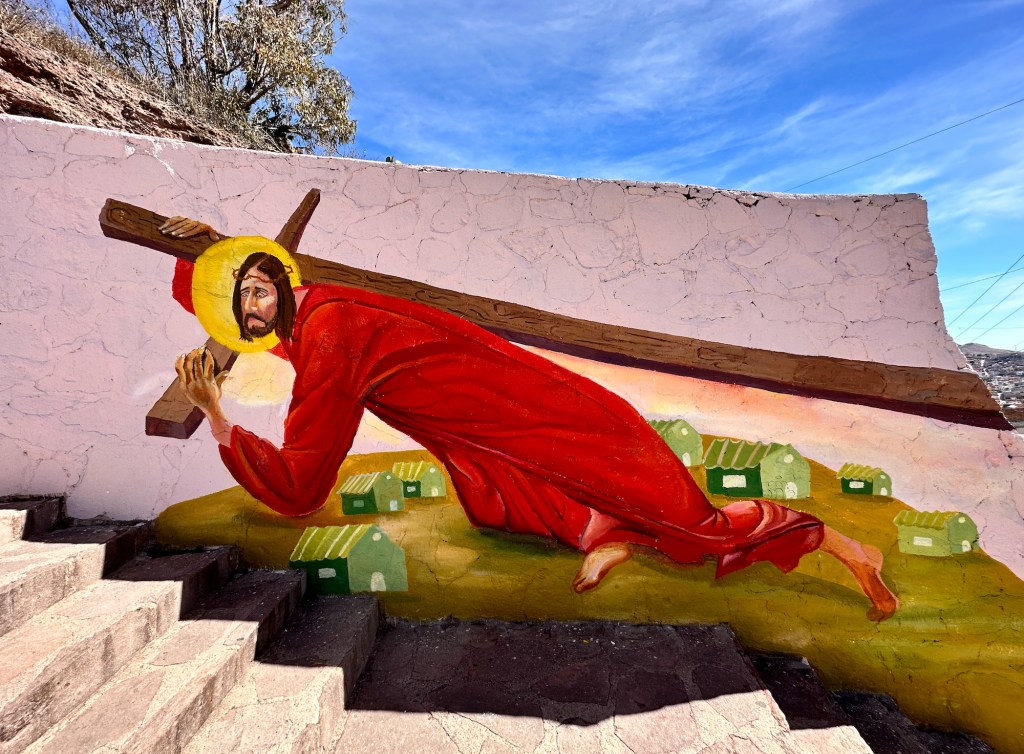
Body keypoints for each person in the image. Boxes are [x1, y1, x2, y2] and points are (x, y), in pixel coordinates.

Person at [162, 217, 899, 620]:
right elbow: (259, 318)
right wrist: (202, 251)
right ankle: (609, 537)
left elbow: (301, 486)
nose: (252, 307)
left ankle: (844, 545)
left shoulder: (328, 337)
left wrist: (220, 420)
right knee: (497, 502)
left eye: (257, 290)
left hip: (556, 419)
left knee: (694, 526)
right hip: (496, 435)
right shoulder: (315, 315)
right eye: (240, 300)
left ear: (279, 285)